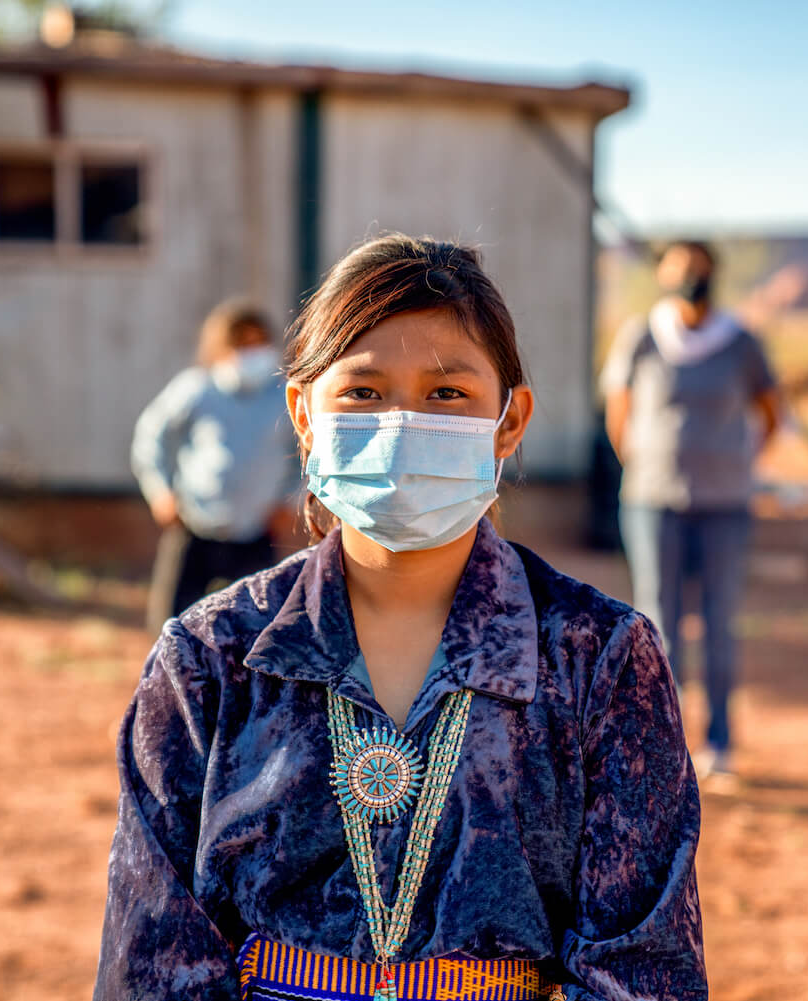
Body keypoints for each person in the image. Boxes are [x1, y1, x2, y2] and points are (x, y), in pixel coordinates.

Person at [95, 235, 705, 1001]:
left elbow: (642, 970)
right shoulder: (209, 658)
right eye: (363, 392)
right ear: (304, 413)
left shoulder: (599, 657)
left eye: (447, 394)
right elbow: (151, 964)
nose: (400, 426)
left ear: (510, 422)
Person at [600, 240, 783, 784]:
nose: (689, 279)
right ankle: (664, 744)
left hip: (725, 503)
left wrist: (737, 462)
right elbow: (620, 414)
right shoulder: (642, 338)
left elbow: (772, 413)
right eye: (678, 269)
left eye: (698, 269)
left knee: (721, 621)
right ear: (661, 275)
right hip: (654, 502)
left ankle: (720, 740)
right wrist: (645, 463)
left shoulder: (742, 343)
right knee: (659, 622)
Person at [131, 299, 299, 632]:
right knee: (173, 626)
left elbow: (306, 452)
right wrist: (160, 492)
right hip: (195, 527)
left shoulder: (285, 396)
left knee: (257, 630)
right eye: (242, 344)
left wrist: (290, 500)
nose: (252, 352)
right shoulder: (196, 390)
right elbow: (151, 439)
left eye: (258, 342)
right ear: (221, 348)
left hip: (256, 530)